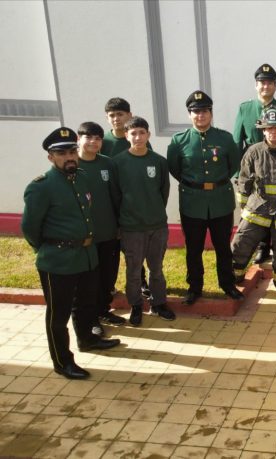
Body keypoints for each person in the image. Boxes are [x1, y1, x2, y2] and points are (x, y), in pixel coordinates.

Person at [22, 127, 120, 380]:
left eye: (72, 151)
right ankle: (62, 361)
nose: (69, 157)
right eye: (62, 153)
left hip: (87, 255)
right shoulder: (41, 187)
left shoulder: (82, 178)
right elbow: (30, 228)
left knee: (87, 304)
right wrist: (46, 250)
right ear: (51, 157)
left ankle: (87, 339)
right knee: (58, 314)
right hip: (58, 261)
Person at [167, 90, 243, 305]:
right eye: (195, 112)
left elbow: (233, 165)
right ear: (189, 114)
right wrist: (194, 184)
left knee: (222, 247)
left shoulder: (225, 138)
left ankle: (228, 284)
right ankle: (194, 287)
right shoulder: (179, 140)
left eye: (204, 111)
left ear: (211, 113)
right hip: (192, 201)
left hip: (220, 200)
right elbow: (174, 168)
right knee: (193, 248)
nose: (200, 116)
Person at [112, 117, 174, 325]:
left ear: (148, 135)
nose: (138, 137)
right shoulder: (118, 162)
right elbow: (115, 195)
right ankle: (136, 306)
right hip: (131, 228)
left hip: (157, 225)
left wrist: (154, 213)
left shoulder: (158, 161)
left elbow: (163, 192)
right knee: (133, 269)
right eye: (133, 133)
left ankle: (159, 304)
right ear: (126, 136)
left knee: (156, 268)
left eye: (141, 133)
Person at [231, 107, 276, 296]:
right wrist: (244, 207)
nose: (272, 132)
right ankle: (233, 277)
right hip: (257, 210)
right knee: (241, 242)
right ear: (263, 130)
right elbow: (244, 181)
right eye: (268, 128)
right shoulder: (253, 152)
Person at [75, 122, 125, 334]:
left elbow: (116, 196)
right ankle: (91, 318)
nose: (94, 142)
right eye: (89, 138)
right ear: (79, 139)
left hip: (108, 231)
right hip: (84, 236)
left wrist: (119, 225)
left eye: (97, 138)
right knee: (88, 279)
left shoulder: (107, 164)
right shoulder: (72, 165)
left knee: (108, 274)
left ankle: (104, 309)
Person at [101, 97, 152, 297]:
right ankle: (109, 286)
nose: (116, 119)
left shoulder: (137, 138)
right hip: (108, 206)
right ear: (107, 118)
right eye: (112, 115)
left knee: (135, 249)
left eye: (120, 114)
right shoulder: (102, 142)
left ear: (129, 115)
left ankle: (141, 283)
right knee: (111, 250)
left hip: (133, 206)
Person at [233, 63, 276, 152]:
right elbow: (237, 142)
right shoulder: (245, 109)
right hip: (252, 160)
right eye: (262, 83)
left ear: (275, 86)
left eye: (270, 83)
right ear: (256, 85)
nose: (266, 86)